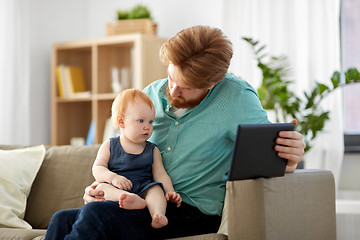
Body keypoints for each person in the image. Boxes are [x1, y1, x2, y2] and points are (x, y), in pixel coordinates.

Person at [46, 25, 305, 240]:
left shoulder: (237, 98)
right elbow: (116, 153)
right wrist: (100, 188)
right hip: (138, 202)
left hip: (191, 213)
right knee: (61, 219)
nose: (173, 90)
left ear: (214, 83)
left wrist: (290, 159)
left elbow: (269, 158)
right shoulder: (150, 94)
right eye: (171, 77)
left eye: (186, 87)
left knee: (95, 218)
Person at [92, 89, 181, 229]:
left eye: (151, 121)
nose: (148, 127)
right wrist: (113, 178)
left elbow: (161, 174)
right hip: (117, 188)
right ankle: (129, 199)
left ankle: (157, 214)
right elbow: (97, 168)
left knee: (157, 189)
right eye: (141, 121)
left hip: (143, 188)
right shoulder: (109, 145)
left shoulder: (152, 150)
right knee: (102, 187)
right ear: (121, 122)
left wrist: (170, 191)